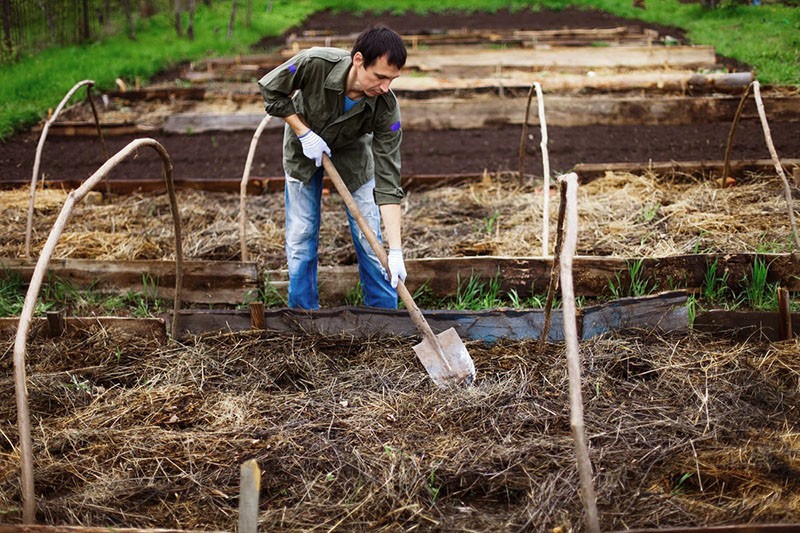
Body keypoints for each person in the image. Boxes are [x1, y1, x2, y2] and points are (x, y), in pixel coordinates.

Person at [258, 26, 408, 309]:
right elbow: (271, 90)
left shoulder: (387, 109)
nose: (385, 87)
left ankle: (385, 316)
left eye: (392, 79)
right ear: (359, 60)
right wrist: (303, 132)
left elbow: (389, 181)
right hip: (303, 146)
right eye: (380, 77)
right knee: (301, 235)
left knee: (369, 238)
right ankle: (303, 314)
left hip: (352, 152)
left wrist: (396, 250)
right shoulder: (314, 62)